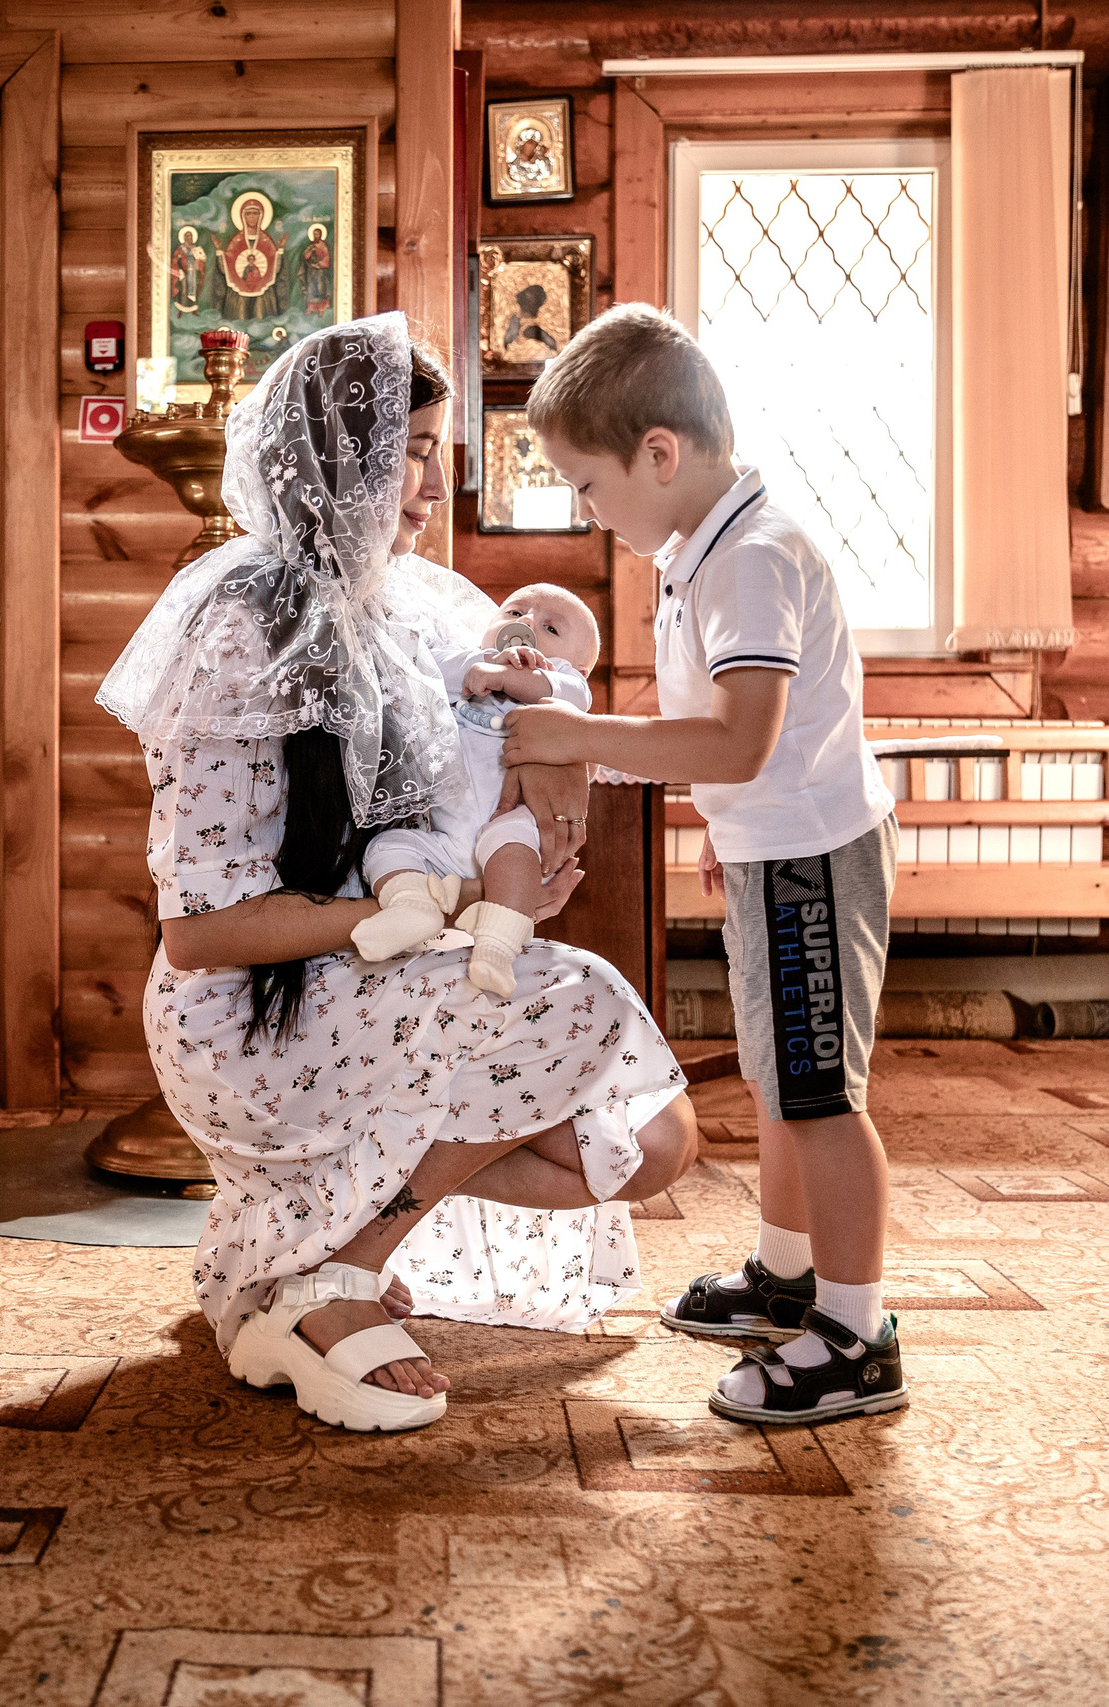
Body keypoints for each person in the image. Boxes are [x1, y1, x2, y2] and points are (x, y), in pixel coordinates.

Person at [97, 311, 698, 1436]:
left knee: (653, 1144)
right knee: (580, 999)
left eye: (437, 449)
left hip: (389, 982)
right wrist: (445, 910)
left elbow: (523, 725)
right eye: (410, 450)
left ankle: (303, 1236)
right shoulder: (246, 623)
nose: (432, 482)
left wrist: (548, 781)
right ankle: (333, 1274)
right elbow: (199, 937)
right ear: (335, 454)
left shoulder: (421, 600)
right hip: (254, 1010)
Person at [498, 303, 906, 1427]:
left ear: (658, 455)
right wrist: (731, 829)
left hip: (811, 855)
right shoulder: (707, 546)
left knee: (819, 1094)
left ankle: (856, 1333)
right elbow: (719, 740)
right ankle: (786, 1274)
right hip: (776, 848)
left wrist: (578, 741)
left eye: (586, 484)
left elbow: (739, 739)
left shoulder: (753, 560)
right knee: (782, 1080)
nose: (587, 509)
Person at [350, 585, 599, 998]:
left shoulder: (562, 681)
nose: (525, 624)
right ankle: (412, 906)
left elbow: (574, 698)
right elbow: (427, 669)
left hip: (512, 825)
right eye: (514, 611)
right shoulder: (465, 661)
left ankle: (497, 948)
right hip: (446, 842)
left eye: (550, 627)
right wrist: (482, 663)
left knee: (511, 840)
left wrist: (512, 677)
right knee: (389, 847)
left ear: (577, 665)